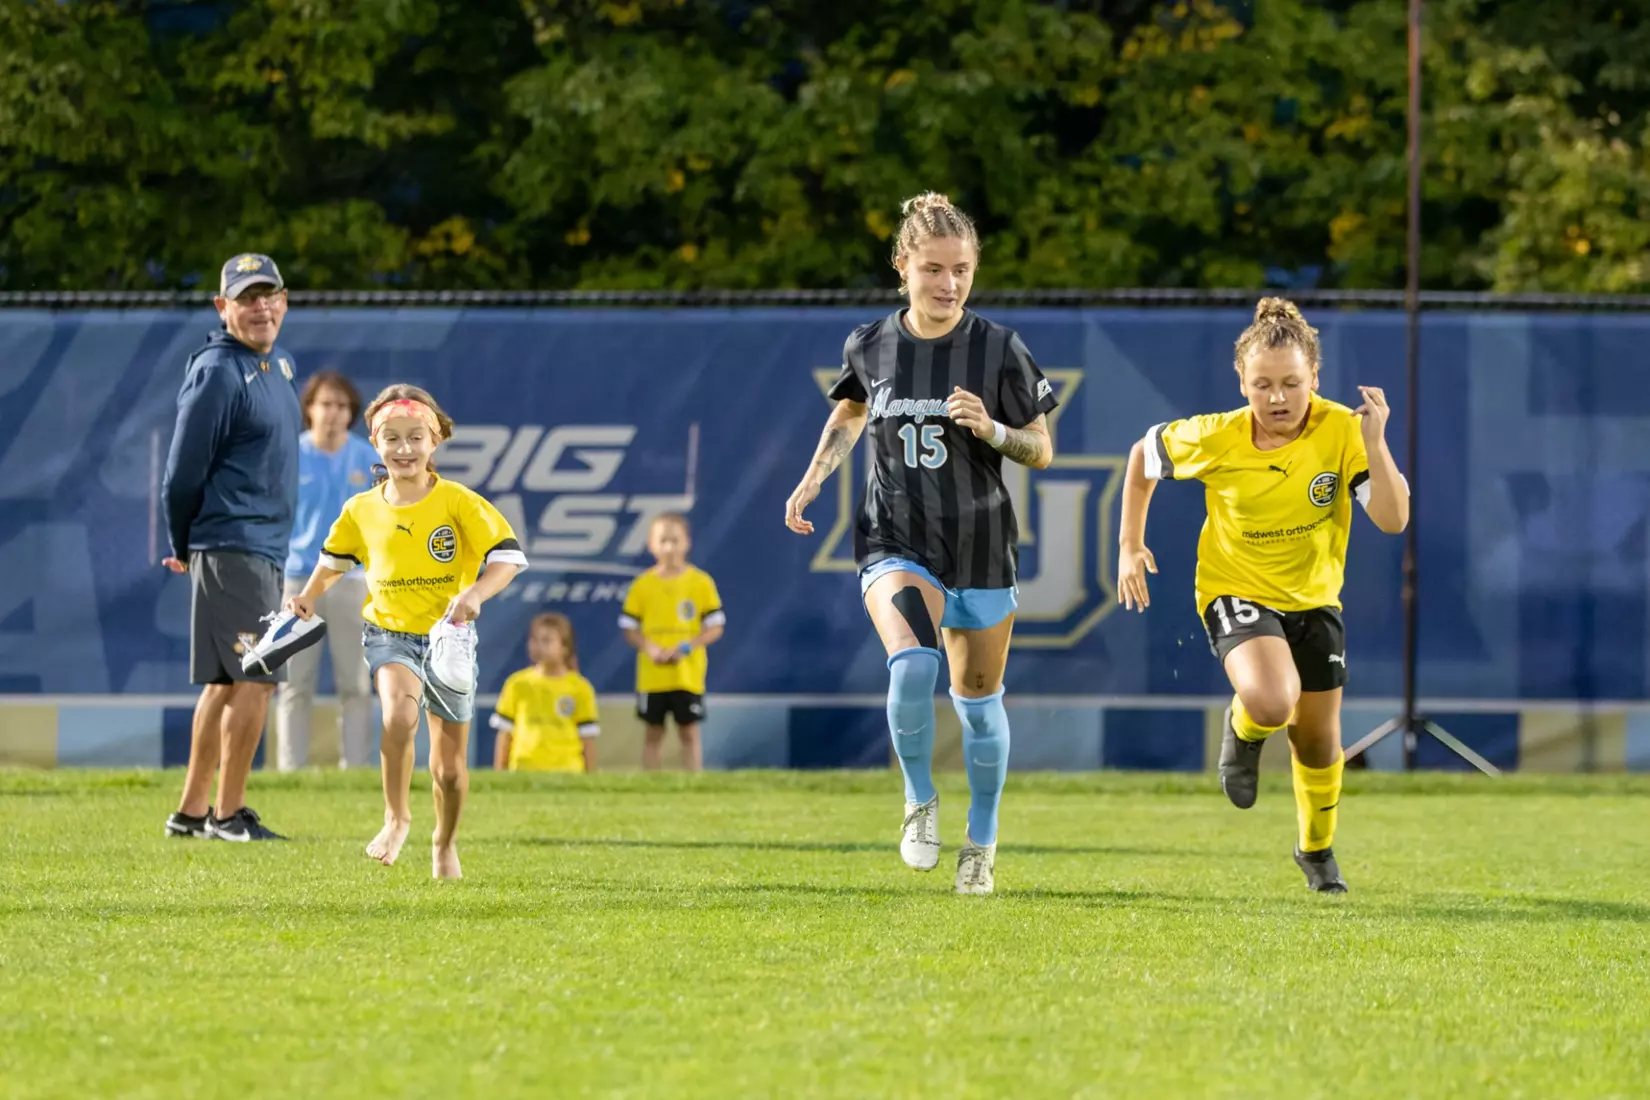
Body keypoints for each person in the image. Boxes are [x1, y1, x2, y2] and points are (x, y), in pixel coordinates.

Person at [783, 192, 1059, 896]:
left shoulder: (999, 347)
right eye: (933, 268)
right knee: (911, 665)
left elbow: (1042, 449)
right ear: (903, 266)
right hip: (895, 535)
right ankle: (917, 801)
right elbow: (850, 412)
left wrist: (995, 430)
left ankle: (983, 842)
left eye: (961, 269)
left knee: (977, 702)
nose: (948, 283)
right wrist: (813, 477)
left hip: (981, 545)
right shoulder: (869, 342)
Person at [1116, 297, 1409, 893]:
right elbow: (1141, 460)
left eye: (1292, 384)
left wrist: (1376, 442)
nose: (1277, 398)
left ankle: (1316, 851)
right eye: (1263, 385)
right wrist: (1129, 544)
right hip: (1234, 588)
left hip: (1315, 599)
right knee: (1275, 701)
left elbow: (1393, 519)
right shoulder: (1218, 436)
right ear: (1241, 383)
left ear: (1315, 380)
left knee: (1319, 738)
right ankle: (1245, 727)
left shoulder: (1340, 430)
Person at [284, 384, 527, 879]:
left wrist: (475, 594)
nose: (404, 448)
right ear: (375, 443)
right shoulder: (361, 509)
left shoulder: (458, 502)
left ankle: (444, 842)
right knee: (397, 715)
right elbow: (334, 560)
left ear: (434, 440)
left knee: (450, 769)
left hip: (448, 638)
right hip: (388, 633)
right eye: (391, 438)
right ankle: (396, 818)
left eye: (415, 437)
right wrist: (309, 595)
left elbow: (507, 558)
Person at [162, 253, 303, 843]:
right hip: (233, 545)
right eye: (246, 297)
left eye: (268, 294)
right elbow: (180, 473)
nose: (260, 305)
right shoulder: (220, 371)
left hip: (258, 547)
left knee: (228, 681)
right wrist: (184, 542)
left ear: (285, 300)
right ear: (223, 308)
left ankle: (193, 813)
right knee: (259, 677)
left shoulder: (278, 365)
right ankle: (229, 814)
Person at [275, 371, 379, 771]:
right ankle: (289, 770)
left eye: (342, 405)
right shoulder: (290, 454)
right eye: (325, 404)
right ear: (309, 409)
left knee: (354, 682)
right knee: (294, 682)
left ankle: (354, 769)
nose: (333, 413)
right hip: (299, 578)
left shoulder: (367, 458)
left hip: (351, 580)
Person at [618, 514, 725, 772]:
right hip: (652, 675)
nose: (669, 547)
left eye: (675, 540)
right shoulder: (643, 585)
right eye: (663, 541)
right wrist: (650, 647)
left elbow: (715, 626)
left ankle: (694, 784)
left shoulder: (700, 583)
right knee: (653, 733)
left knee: (689, 732)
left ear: (686, 543)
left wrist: (686, 647)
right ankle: (651, 786)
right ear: (651, 545)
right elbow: (629, 627)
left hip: (687, 674)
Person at [492, 613, 601, 773]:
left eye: (546, 641)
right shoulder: (516, 683)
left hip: (567, 771)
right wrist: (500, 774)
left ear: (564, 647)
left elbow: (587, 739)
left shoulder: (580, 687)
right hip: (524, 769)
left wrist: (590, 777)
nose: (538, 646)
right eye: (534, 640)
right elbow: (504, 734)